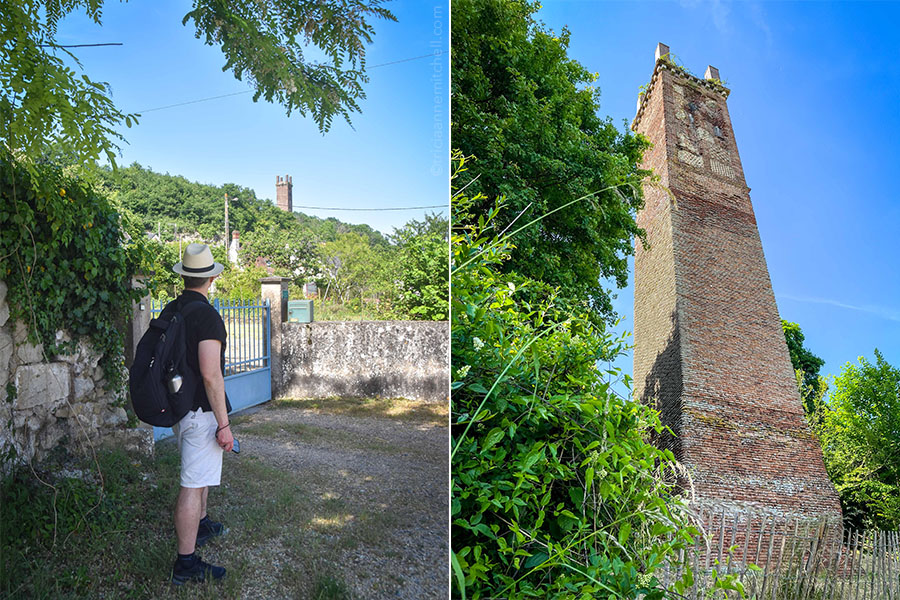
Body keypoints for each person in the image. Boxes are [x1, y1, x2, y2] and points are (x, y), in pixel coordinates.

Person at [163, 243, 234, 585]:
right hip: (200, 411)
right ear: (212, 277)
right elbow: (211, 374)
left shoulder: (172, 309)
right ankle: (185, 563)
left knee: (200, 473)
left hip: (179, 408)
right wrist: (224, 424)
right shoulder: (206, 316)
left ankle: (202, 524)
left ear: (184, 276)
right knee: (192, 484)